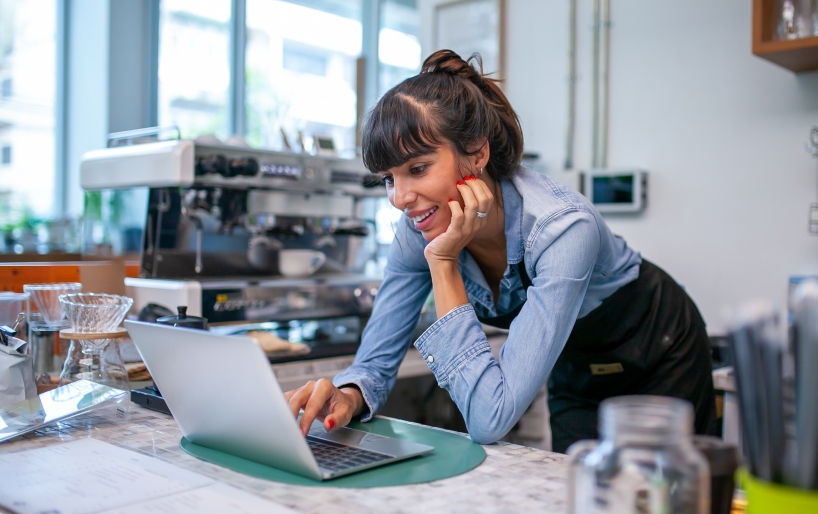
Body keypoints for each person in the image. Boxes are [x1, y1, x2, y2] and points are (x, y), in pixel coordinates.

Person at [285, 49, 718, 453]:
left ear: (476, 154)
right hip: (575, 360)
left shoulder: (562, 228)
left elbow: (488, 419)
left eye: (417, 169)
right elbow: (374, 364)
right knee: (577, 495)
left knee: (674, 506)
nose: (399, 198)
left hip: (659, 345)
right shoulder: (417, 229)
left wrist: (442, 262)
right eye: (388, 178)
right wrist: (349, 394)